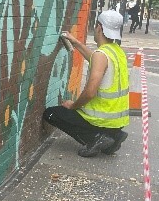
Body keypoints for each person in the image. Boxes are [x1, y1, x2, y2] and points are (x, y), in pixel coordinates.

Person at [43, 10, 129, 157]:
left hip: (101, 120)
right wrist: (76, 43)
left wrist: (73, 105)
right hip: (116, 122)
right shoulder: (116, 51)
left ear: (99, 28)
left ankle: (95, 139)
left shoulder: (101, 55)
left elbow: (90, 93)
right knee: (104, 135)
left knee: (51, 113)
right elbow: (95, 60)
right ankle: (113, 137)